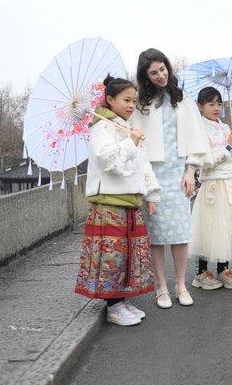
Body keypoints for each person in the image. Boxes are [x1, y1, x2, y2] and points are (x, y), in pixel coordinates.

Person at [75, 75, 160, 326]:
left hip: (128, 201)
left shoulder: (124, 127)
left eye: (134, 100)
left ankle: (121, 301)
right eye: (126, 100)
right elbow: (108, 161)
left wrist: (151, 194)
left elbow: (143, 164)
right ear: (110, 100)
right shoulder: (102, 127)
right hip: (109, 202)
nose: (132, 105)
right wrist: (131, 142)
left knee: (125, 255)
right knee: (112, 255)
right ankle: (112, 306)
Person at [129, 48, 210, 309]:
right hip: (152, 172)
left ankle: (181, 285)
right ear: (146, 76)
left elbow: (196, 135)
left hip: (178, 170)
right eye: (154, 73)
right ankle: (161, 287)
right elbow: (134, 138)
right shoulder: (140, 103)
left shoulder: (182, 98)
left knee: (180, 232)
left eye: (163, 69)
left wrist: (191, 170)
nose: (160, 75)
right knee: (157, 234)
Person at [189, 87, 232, 290]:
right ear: (200, 106)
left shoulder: (226, 128)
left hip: (230, 182)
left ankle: (223, 269)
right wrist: (227, 147)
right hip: (212, 184)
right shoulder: (198, 129)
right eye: (211, 104)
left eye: (219, 103)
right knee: (208, 226)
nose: (216, 108)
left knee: (227, 224)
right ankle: (200, 273)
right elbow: (205, 161)